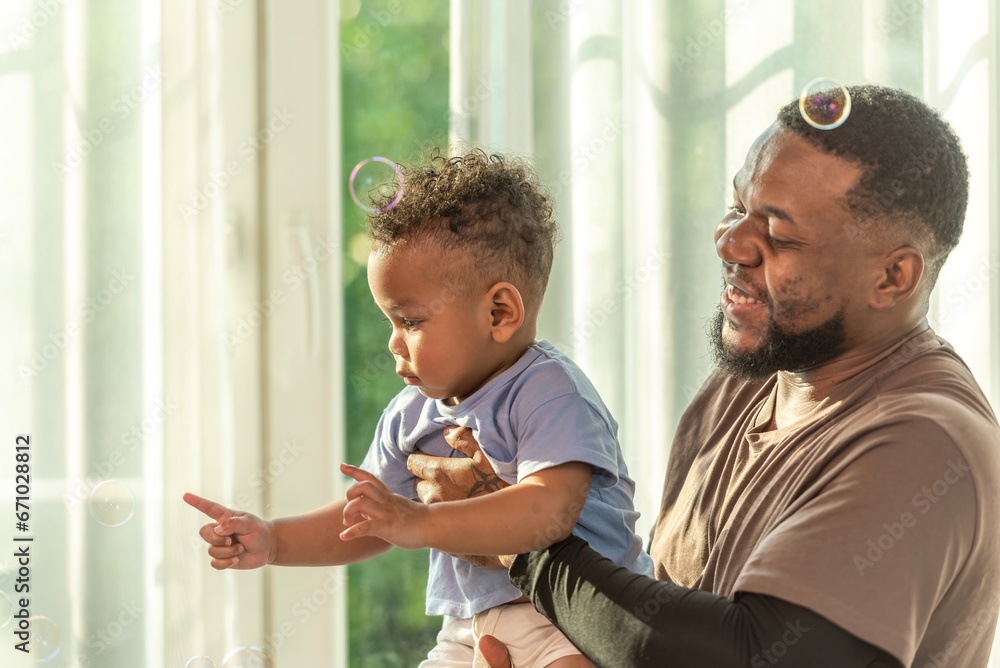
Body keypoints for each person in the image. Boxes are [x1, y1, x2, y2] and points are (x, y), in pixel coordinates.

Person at [407, 85, 1000, 668]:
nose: (731, 241)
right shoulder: (753, 376)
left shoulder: (921, 442)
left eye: (779, 234)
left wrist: (517, 542)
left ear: (893, 277)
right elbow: (663, 608)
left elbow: (754, 653)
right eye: (737, 207)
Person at [185, 149, 653, 668]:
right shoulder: (413, 413)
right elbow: (365, 518)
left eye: (410, 321)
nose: (393, 343)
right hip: (468, 628)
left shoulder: (549, 392)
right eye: (389, 321)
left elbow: (549, 510)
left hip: (580, 622)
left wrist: (420, 523)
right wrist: (274, 540)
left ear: (499, 313)